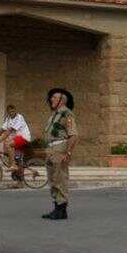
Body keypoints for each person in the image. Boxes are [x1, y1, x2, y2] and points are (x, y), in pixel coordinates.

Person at [42, 88, 77, 220]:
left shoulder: (67, 114)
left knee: (60, 179)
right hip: (51, 150)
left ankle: (62, 210)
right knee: (52, 180)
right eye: (52, 97)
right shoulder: (54, 114)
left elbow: (73, 135)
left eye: (55, 97)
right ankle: (56, 208)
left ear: (62, 100)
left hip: (59, 149)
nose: (51, 99)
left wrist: (67, 152)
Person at [0, 105, 32, 179]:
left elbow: (9, 131)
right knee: (17, 159)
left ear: (15, 110)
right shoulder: (8, 119)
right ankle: (19, 180)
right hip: (17, 140)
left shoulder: (19, 117)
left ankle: (13, 165)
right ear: (8, 112)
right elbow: (1, 131)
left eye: (13, 111)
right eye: (9, 112)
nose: (11, 113)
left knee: (8, 144)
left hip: (24, 138)